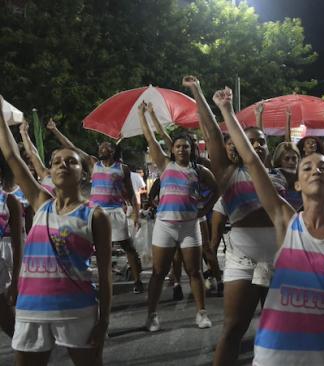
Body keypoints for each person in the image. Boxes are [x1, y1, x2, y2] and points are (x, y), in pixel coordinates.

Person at [214, 85, 324, 365]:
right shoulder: (286, 221)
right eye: (307, 167)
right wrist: (226, 109)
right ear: (296, 183)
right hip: (275, 354)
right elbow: (250, 158)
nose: (316, 171)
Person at [182, 76, 288, 365]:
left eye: (261, 142)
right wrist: (198, 91)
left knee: (281, 330)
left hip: (281, 257)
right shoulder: (228, 174)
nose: (256, 145)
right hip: (243, 258)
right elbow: (212, 133)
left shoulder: (279, 176)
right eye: (250, 141)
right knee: (233, 329)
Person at [0, 96, 112, 366]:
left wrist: (103, 323)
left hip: (77, 309)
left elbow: (106, 275)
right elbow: (13, 156)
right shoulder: (40, 203)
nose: (63, 164)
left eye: (71, 162)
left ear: (83, 174)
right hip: (31, 310)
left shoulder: (95, 215)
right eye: (57, 161)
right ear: (49, 170)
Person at [136, 101, 217, 331]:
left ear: (192, 150)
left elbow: (217, 188)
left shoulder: (200, 171)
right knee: (159, 273)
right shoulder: (164, 165)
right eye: (178, 146)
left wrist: (205, 208)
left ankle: (201, 313)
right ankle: (152, 315)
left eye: (186, 146)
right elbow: (151, 138)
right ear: (172, 149)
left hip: (190, 227)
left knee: (195, 272)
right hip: (165, 226)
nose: (182, 149)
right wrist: (144, 115)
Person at [47, 120, 145, 293]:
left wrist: (136, 213)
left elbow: (130, 193)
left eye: (105, 147)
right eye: (101, 148)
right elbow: (73, 147)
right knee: (89, 246)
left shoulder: (123, 169)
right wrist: (55, 130)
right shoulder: (93, 164)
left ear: (113, 152)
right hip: (96, 212)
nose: (101, 149)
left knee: (127, 246)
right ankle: (87, 281)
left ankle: (138, 280)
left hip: (115, 211)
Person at [0, 153, 23, 338]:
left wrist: (16, 280)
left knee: (5, 316)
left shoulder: (10, 201)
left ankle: (26, 352)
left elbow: (18, 244)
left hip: (3, 258)